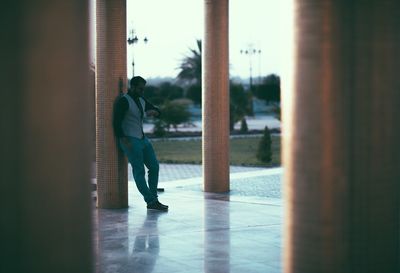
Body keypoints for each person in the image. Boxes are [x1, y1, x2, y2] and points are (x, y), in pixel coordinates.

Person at [113, 76, 168, 211]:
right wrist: (123, 139)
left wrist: (155, 112)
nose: (142, 91)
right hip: (129, 140)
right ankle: (151, 201)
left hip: (143, 139)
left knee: (154, 166)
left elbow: (157, 110)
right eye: (140, 89)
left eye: (143, 89)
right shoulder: (123, 101)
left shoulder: (141, 100)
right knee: (139, 171)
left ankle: (153, 198)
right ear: (132, 87)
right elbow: (116, 122)